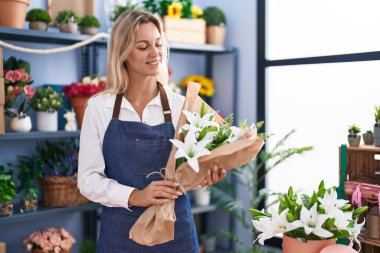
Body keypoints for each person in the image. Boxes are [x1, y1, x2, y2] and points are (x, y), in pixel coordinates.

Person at [78, 9, 228, 253]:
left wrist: (206, 175)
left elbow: (192, 167)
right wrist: (136, 196)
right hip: (119, 233)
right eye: (143, 46)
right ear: (123, 52)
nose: (154, 53)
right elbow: (87, 181)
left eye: (158, 44)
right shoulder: (99, 107)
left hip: (175, 232)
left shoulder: (182, 105)